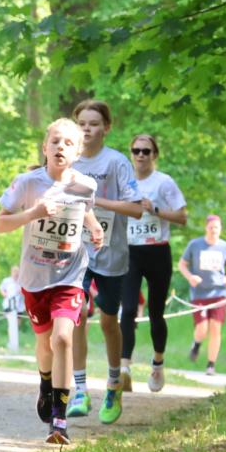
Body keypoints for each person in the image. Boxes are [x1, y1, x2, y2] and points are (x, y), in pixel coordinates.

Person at [0, 118, 104, 445]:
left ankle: (59, 421)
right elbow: (1, 224)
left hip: (70, 276)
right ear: (45, 148)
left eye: (68, 143)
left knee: (63, 340)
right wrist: (34, 213)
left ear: (78, 152)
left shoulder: (86, 186)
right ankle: (45, 383)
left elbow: (84, 208)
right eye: (55, 141)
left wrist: (95, 226)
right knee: (45, 344)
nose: (60, 147)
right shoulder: (27, 183)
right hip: (34, 278)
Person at [67, 100, 143, 424]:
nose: (87, 128)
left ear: (106, 128)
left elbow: (137, 208)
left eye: (94, 123)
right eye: (81, 122)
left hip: (111, 253)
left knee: (109, 322)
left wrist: (96, 202)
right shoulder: (66, 159)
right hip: (74, 252)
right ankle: (80, 389)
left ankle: (113, 384)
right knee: (77, 314)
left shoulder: (117, 162)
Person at [119, 135, 188, 392]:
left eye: (146, 151)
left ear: (154, 155)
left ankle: (158, 364)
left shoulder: (164, 182)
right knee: (127, 309)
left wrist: (154, 210)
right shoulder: (124, 182)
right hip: (130, 252)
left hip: (158, 252)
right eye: (136, 150)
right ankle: (124, 368)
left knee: (155, 312)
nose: (140, 155)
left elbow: (182, 217)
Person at [179, 215, 226, 376]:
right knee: (202, 328)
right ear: (206, 228)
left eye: (217, 227)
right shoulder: (195, 245)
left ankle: (211, 365)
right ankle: (197, 344)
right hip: (199, 293)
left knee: (215, 328)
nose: (214, 230)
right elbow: (182, 264)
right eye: (211, 227)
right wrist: (190, 277)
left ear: (221, 229)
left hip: (219, 293)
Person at [0, 265, 23, 352]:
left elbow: (25, 292)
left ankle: (14, 342)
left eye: (18, 272)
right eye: (15, 272)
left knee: (17, 324)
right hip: (8, 306)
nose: (16, 274)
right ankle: (11, 342)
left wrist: (21, 292)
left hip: (19, 307)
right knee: (11, 323)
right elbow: (1, 289)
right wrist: (5, 295)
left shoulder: (21, 282)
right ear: (12, 272)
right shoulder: (7, 281)